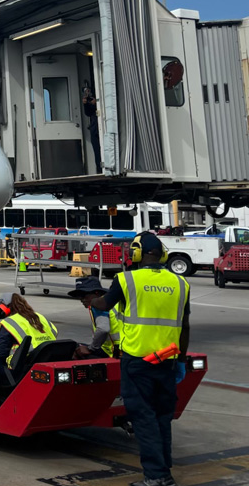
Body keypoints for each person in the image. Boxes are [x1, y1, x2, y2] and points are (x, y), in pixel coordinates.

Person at [91, 232, 191, 486]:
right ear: (163, 254)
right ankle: (164, 471)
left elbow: (104, 304)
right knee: (162, 417)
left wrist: (91, 299)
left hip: (138, 360)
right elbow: (185, 326)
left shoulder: (126, 280)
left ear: (136, 254)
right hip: (167, 359)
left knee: (143, 418)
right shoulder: (181, 283)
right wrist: (181, 360)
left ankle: (156, 477)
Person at [0, 292, 58, 368]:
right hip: (49, 358)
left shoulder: (9, 322)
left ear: (5, 307)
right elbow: (54, 332)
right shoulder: (40, 317)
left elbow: (1, 352)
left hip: (22, 365)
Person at [68, 276, 120, 359]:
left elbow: (103, 329)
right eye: (79, 297)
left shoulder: (98, 305)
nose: (82, 300)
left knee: (76, 350)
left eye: (84, 295)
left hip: (115, 352)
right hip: (127, 348)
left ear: (97, 293)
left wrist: (90, 348)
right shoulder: (114, 302)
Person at [83, 86, 102, 171]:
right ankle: (99, 169)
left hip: (101, 126)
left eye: (89, 91)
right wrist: (86, 104)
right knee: (97, 151)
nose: (88, 93)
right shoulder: (88, 100)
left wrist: (98, 103)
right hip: (94, 128)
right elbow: (88, 113)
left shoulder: (101, 95)